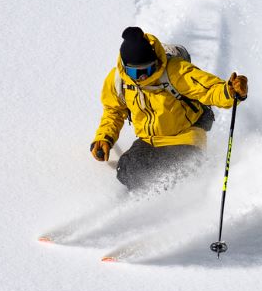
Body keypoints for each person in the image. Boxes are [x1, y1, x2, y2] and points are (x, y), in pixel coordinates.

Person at [91, 26, 248, 192]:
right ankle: (150, 206)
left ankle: (188, 198)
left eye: (148, 69)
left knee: (178, 173)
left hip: (185, 137)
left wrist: (230, 91)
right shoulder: (118, 80)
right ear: (125, 67)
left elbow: (208, 89)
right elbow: (113, 111)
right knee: (127, 170)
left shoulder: (175, 70)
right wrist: (105, 137)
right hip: (150, 141)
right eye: (135, 72)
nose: (142, 77)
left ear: (155, 62)